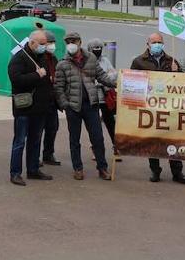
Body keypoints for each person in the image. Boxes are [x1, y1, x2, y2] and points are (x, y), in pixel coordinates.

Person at [53, 32, 116, 180]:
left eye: (73, 41)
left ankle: (102, 168)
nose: (71, 44)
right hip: (73, 107)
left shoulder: (91, 58)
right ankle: (78, 168)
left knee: (98, 138)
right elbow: (58, 87)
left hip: (91, 105)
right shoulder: (62, 63)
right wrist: (65, 104)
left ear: (80, 42)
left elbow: (102, 76)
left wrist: (118, 82)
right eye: (68, 42)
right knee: (74, 139)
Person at [132, 32, 185, 184]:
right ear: (148, 44)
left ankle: (177, 172)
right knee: (153, 141)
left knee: (173, 140)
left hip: (170, 108)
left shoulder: (172, 61)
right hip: (150, 109)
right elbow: (132, 85)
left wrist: (177, 73)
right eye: (154, 42)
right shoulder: (138, 62)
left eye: (159, 42)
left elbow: (183, 85)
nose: (157, 44)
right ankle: (155, 171)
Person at [7, 29, 57, 186]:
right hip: (24, 107)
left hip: (40, 108)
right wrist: (37, 75)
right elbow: (16, 80)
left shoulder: (42, 57)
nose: (44, 47)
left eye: (46, 44)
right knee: (20, 141)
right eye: (42, 44)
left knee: (35, 141)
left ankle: (33, 170)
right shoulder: (19, 58)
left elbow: (47, 78)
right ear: (32, 42)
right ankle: (15, 173)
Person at [89, 40, 119, 158]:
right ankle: (95, 149)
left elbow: (113, 74)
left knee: (110, 122)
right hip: (93, 97)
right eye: (95, 48)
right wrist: (101, 78)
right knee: (94, 125)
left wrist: (102, 79)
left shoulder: (105, 60)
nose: (97, 50)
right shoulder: (87, 60)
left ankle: (116, 146)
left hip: (106, 97)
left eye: (99, 47)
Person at [39, 34, 62, 167]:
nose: (52, 45)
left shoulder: (53, 58)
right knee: (38, 129)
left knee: (53, 127)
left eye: (53, 42)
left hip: (52, 100)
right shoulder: (38, 58)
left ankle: (48, 153)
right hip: (41, 99)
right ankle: (35, 156)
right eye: (49, 42)